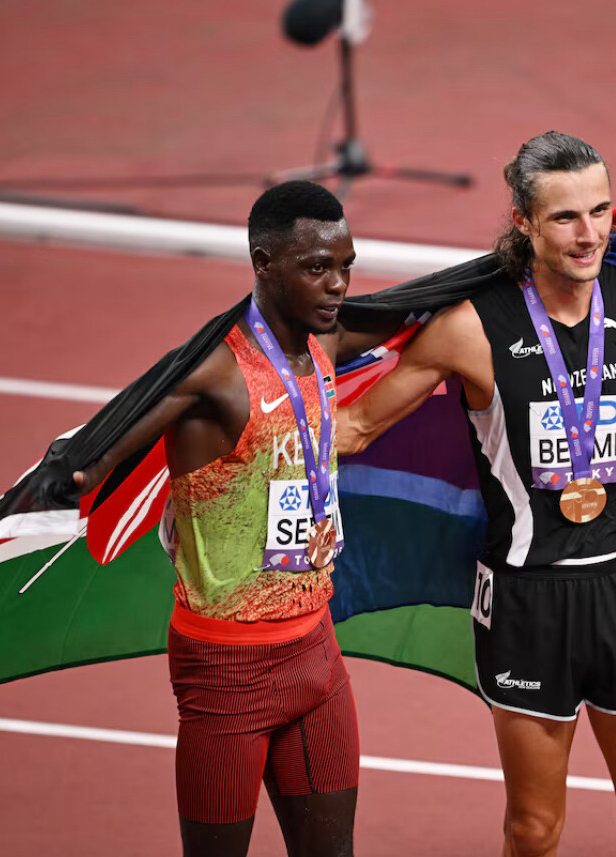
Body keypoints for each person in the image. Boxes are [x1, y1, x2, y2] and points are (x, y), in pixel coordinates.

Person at [339, 131, 616, 857]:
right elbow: (358, 425)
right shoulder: (469, 329)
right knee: (533, 830)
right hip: (529, 601)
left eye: (601, 211)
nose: (589, 235)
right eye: (565, 217)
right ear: (523, 222)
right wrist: (234, 437)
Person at [73, 181, 400, 857]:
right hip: (226, 674)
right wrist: (66, 478)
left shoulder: (327, 342)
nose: (338, 284)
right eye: (317, 267)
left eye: (346, 265)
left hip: (317, 655)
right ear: (263, 262)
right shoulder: (213, 375)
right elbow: (99, 453)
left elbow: (422, 306)